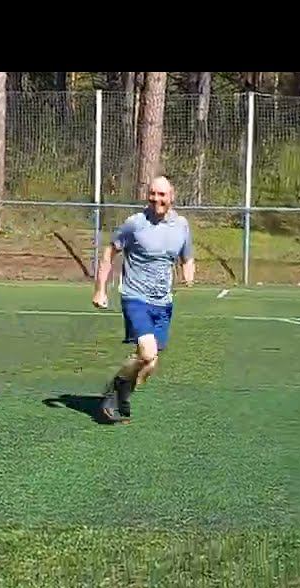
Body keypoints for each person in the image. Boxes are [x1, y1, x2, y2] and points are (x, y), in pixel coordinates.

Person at [91, 175, 194, 423]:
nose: (156, 199)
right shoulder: (135, 224)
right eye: (152, 194)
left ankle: (122, 392)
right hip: (135, 297)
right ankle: (115, 390)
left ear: (172, 197)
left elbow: (187, 256)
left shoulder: (181, 226)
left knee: (150, 364)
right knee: (147, 353)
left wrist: (188, 272)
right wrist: (100, 289)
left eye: (162, 194)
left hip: (163, 302)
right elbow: (109, 252)